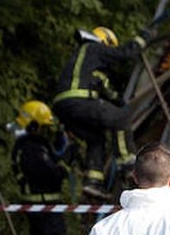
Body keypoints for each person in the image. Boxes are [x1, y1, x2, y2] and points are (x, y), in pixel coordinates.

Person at [52, 26, 148, 200]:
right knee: (120, 117)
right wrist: (141, 39)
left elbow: (105, 88)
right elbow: (124, 54)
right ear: (105, 42)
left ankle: (93, 181)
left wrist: (118, 99)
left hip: (63, 107)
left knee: (96, 138)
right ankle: (127, 163)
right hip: (78, 101)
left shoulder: (86, 62)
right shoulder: (94, 48)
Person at [9, 100, 71, 235]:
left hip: (37, 205)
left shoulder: (26, 146)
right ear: (34, 125)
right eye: (43, 128)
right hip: (44, 204)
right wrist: (66, 164)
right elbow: (50, 174)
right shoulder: (31, 149)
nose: (45, 132)